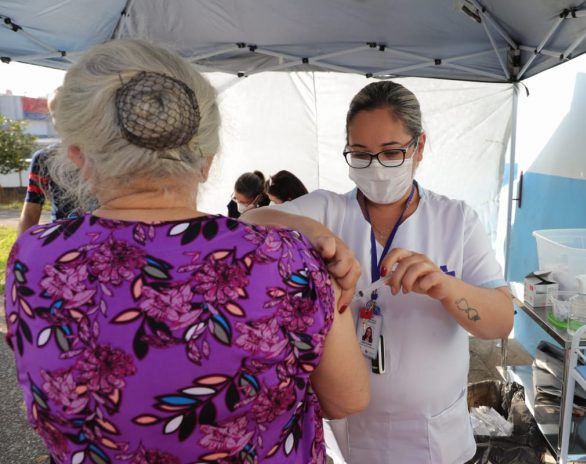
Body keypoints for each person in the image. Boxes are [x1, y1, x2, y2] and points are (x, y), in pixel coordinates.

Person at [4, 39, 368, 464]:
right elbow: (348, 398)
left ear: (79, 158)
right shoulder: (286, 260)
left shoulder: (35, 259)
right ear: (208, 160)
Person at [243, 81, 514, 463]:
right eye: (360, 154)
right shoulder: (328, 210)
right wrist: (312, 230)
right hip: (352, 438)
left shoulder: (455, 220)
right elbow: (247, 224)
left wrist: (447, 288)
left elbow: (501, 322)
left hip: (436, 440)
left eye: (391, 153)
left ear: (419, 147)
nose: (376, 168)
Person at [18, 89, 83, 234]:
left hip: (104, 244)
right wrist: (20, 250)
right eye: (57, 115)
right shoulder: (44, 159)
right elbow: (30, 213)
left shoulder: (107, 155)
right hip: (61, 244)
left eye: (72, 111)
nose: (66, 119)